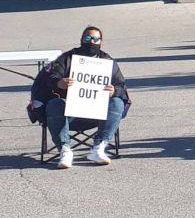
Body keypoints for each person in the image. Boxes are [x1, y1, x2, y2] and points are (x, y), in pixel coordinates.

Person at [30, 26, 129, 169]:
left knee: (117, 102)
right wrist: (59, 83)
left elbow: (121, 86)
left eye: (96, 39)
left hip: (98, 114)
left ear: (101, 41)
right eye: (88, 38)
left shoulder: (107, 61)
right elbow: (50, 78)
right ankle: (65, 150)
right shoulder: (68, 58)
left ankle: (98, 148)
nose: (91, 42)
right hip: (69, 113)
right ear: (81, 40)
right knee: (55, 104)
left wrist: (114, 90)